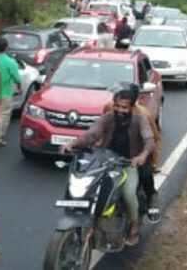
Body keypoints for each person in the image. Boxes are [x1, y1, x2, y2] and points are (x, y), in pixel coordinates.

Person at [61, 86, 157, 246]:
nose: (120, 110)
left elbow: (149, 140)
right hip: (105, 161)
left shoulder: (140, 120)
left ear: (132, 107)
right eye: (117, 106)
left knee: (128, 194)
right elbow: (92, 134)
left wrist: (142, 156)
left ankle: (134, 225)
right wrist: (73, 143)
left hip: (128, 164)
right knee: (87, 185)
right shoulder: (108, 118)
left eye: (124, 107)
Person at [0, 37, 21, 147]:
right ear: (6, 48)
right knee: (3, 116)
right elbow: (17, 78)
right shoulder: (10, 62)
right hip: (5, 93)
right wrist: (19, 87)